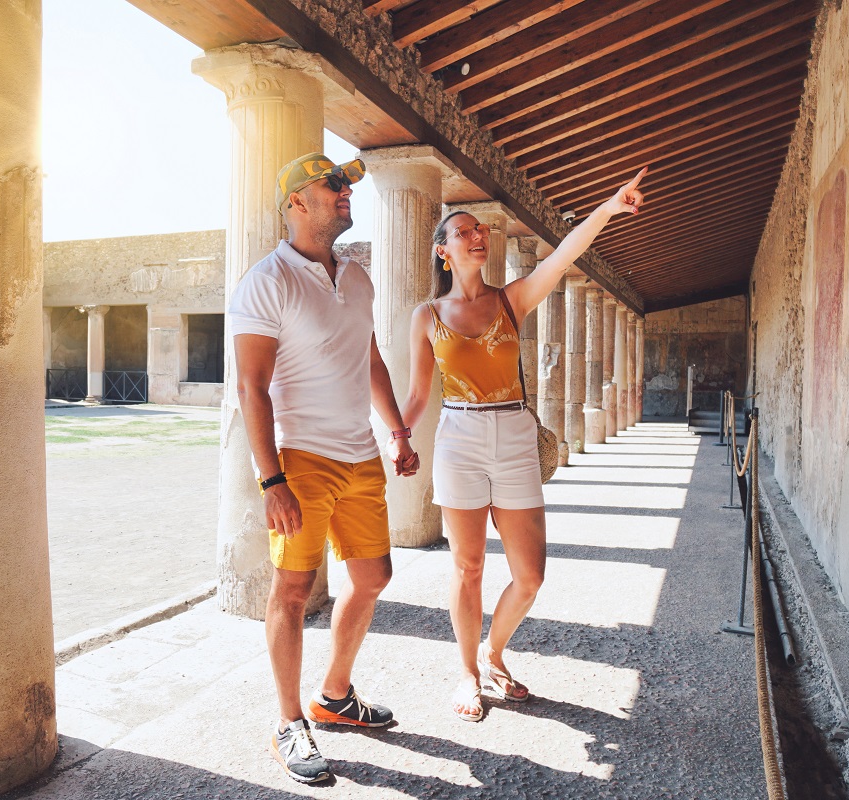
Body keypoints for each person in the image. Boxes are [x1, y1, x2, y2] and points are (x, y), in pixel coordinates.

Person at [399, 167, 647, 722]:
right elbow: (418, 395)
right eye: (463, 231)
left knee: (530, 575)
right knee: (466, 568)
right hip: (458, 437)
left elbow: (562, 256)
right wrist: (396, 434)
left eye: (481, 229)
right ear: (443, 251)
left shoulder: (512, 300)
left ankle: (494, 650)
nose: (477, 235)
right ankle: (467, 671)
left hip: (513, 434)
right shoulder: (428, 316)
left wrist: (607, 206)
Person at [228, 152, 420, 784]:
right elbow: (251, 388)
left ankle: (334, 696)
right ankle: (290, 723)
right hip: (302, 457)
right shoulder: (266, 280)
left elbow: (369, 360)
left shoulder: (357, 277)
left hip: (360, 453)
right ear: (297, 203)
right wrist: (271, 479)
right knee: (292, 589)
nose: (344, 193)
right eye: (331, 184)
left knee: (373, 576)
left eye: (346, 185)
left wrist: (395, 430)